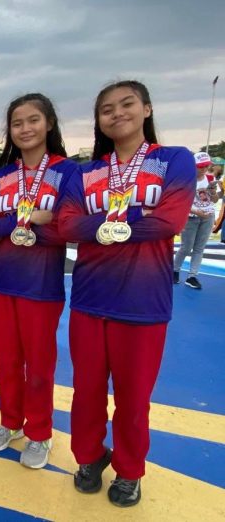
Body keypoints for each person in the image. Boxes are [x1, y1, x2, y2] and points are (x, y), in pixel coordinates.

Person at [58, 80, 195, 507]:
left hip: (143, 302)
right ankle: (89, 457)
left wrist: (101, 226)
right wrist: (129, 219)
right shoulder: (86, 172)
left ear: (147, 109)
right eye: (106, 109)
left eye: (127, 104)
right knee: (87, 393)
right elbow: (66, 224)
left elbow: (170, 221)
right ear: (98, 121)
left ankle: (131, 471)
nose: (117, 114)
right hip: (89, 299)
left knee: (134, 400)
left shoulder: (174, 160)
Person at [0, 93, 78, 469]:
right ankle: (10, 421)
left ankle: (40, 432)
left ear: (49, 123)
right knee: (5, 361)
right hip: (2, 283)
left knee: (38, 365)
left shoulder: (70, 173)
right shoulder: (2, 176)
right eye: (17, 123)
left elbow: (69, 227)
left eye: (33, 120)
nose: (25, 129)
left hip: (42, 286)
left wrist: (32, 225)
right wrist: (30, 218)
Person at [173, 152, 219, 289]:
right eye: (201, 166)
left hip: (208, 216)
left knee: (199, 248)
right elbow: (180, 201)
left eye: (206, 166)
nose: (204, 169)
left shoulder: (210, 178)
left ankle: (192, 276)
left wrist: (214, 192)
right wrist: (195, 211)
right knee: (186, 247)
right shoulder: (185, 180)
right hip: (191, 217)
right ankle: (175, 270)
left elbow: (215, 200)